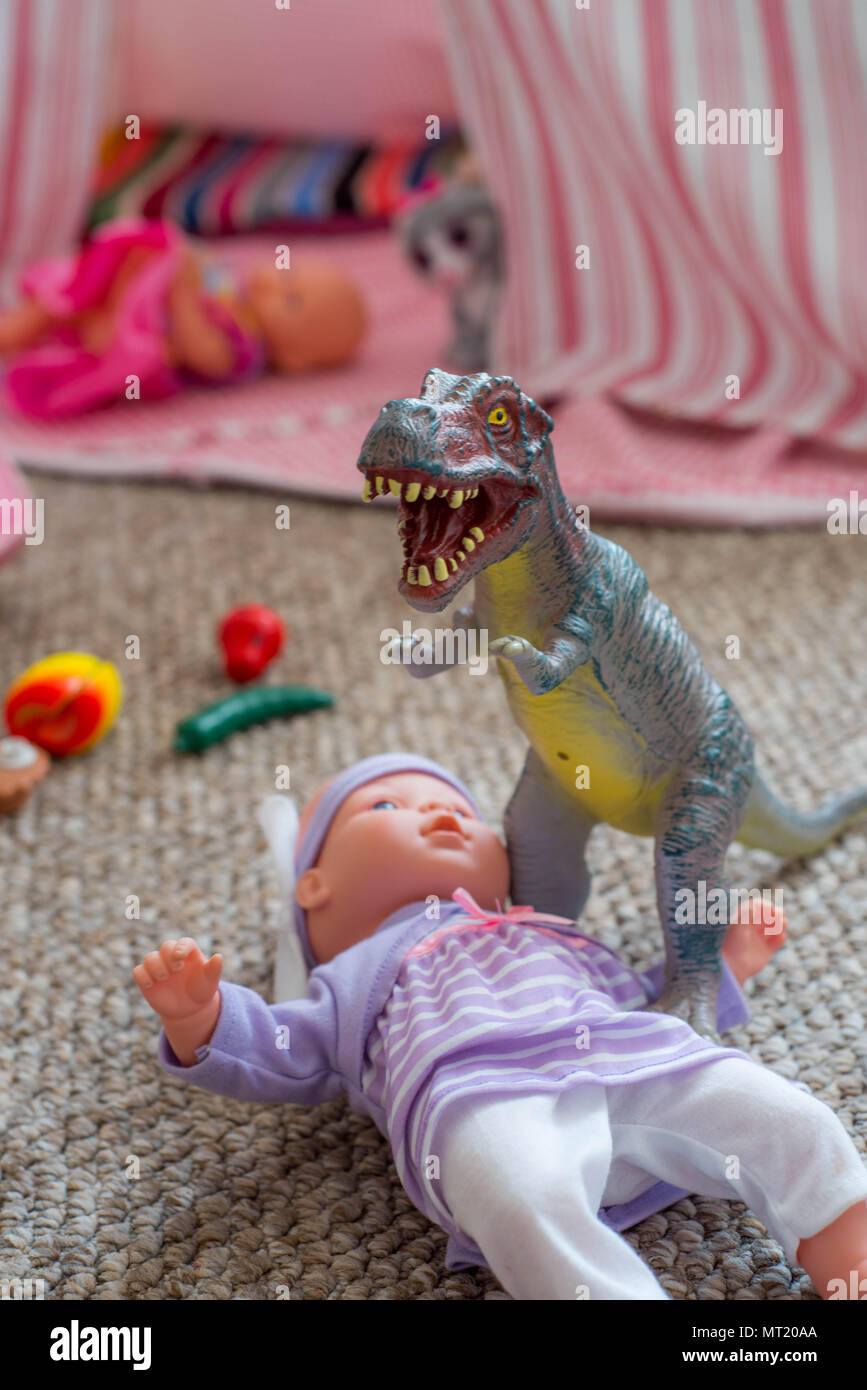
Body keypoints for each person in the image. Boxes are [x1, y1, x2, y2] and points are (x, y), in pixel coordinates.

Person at [133, 752, 867, 1299]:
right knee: (521, 1199)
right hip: (479, 1102)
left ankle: (845, 1247)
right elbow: (280, 1047)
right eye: (387, 809)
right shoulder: (351, 977)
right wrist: (205, 1015)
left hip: (627, 1059)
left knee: (776, 1111)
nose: (443, 813)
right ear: (314, 888)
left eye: (461, 807)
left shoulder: (546, 930)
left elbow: (651, 999)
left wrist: (728, 963)